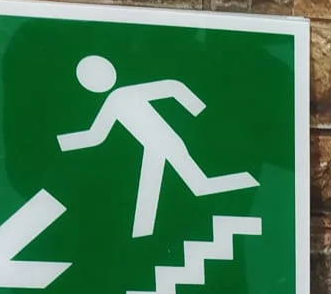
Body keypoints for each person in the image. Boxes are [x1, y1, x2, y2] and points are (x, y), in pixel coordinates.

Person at [57, 55, 258, 238]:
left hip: (167, 145)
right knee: (193, 185)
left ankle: (142, 232)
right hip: (158, 148)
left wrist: (196, 107)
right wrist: (63, 142)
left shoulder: (120, 97)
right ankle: (142, 232)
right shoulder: (119, 98)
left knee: (195, 185)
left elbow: (172, 87)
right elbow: (96, 135)